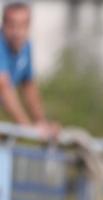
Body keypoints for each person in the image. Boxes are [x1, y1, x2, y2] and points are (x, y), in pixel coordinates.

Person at [0, 2, 59, 138]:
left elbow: (29, 87)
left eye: (22, 26)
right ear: (3, 24)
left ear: (29, 26)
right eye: (11, 25)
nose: (16, 32)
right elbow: (3, 87)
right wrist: (29, 129)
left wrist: (43, 123)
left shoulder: (26, 47)